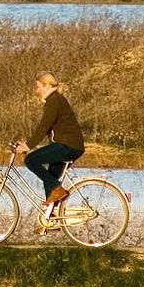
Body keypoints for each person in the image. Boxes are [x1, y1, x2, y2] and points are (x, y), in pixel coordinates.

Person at [15, 72, 85, 206]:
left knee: (31, 159)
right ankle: (51, 219)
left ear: (46, 85)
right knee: (50, 180)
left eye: (38, 87)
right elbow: (46, 128)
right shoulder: (54, 99)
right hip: (70, 145)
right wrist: (27, 143)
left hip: (68, 146)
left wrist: (28, 146)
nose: (37, 91)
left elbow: (44, 126)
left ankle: (58, 191)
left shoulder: (54, 100)